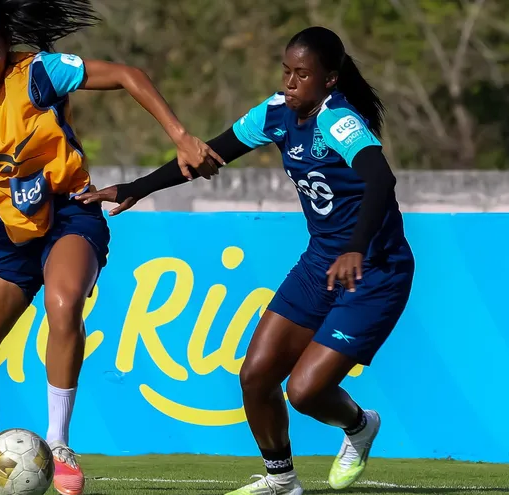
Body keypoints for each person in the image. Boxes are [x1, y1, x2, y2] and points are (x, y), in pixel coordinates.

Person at [77, 26, 414, 495]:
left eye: (303, 75)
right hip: (321, 263)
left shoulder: (339, 122)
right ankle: (282, 482)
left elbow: (381, 180)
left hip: (375, 269)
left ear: (329, 81)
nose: (291, 83)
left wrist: (357, 246)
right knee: (255, 375)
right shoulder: (274, 114)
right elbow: (207, 156)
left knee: (305, 392)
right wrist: (137, 188)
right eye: (286, 71)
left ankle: (359, 425)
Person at [0, 1, 223, 493]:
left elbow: (127, 74)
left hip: (71, 212)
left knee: (63, 302)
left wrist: (180, 136)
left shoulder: (37, 73)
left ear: (5, 47)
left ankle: (58, 444)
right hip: (12, 230)